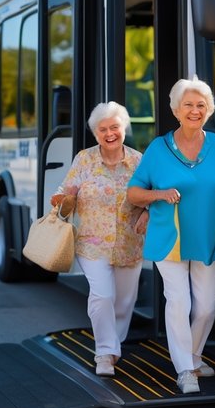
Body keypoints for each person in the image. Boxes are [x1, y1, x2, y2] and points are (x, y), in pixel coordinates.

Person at [126, 78, 215, 395]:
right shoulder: (158, 149)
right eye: (188, 104)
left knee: (205, 307)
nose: (194, 110)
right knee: (179, 301)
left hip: (207, 238)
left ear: (209, 110)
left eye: (201, 105)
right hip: (168, 238)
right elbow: (134, 192)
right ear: (176, 110)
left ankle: (193, 355)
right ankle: (185, 370)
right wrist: (159, 195)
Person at [50, 102, 145, 377]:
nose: (110, 133)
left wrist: (147, 212)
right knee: (103, 295)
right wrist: (60, 200)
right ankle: (104, 352)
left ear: (123, 127)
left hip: (129, 242)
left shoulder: (138, 161)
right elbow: (65, 191)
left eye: (114, 127)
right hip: (92, 243)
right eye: (103, 129)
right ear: (96, 134)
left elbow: (152, 193)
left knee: (125, 301)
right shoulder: (85, 159)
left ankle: (115, 344)